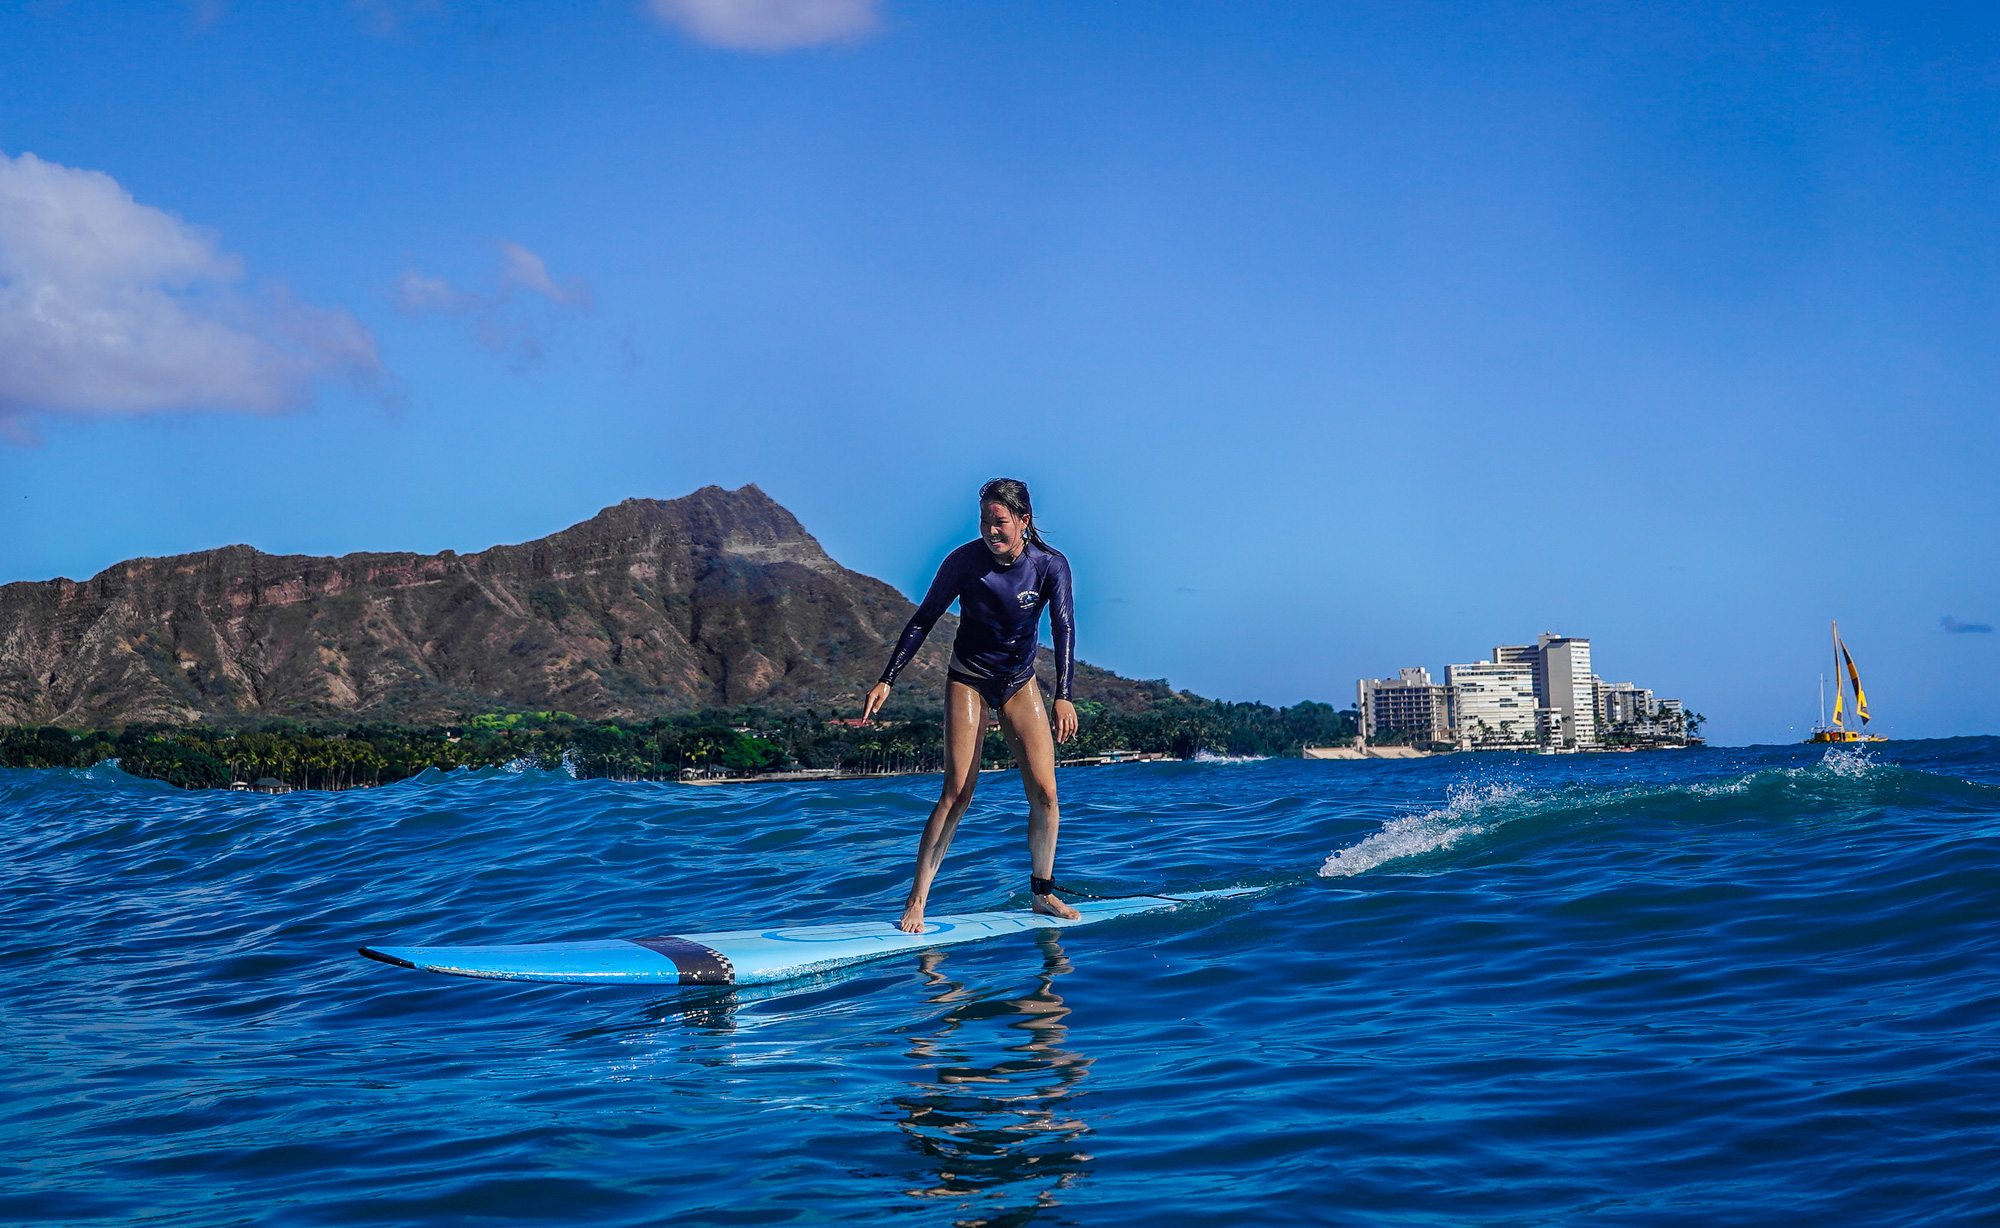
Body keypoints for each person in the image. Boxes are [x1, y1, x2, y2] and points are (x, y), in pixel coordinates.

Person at [862, 478, 1084, 934]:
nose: (990, 530)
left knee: (1046, 793)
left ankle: (1042, 894)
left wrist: (1064, 693)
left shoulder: (1050, 566)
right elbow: (924, 619)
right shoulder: (963, 563)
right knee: (958, 791)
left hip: (1019, 682)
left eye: (999, 521)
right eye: (984, 521)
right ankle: (917, 900)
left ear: (1023, 520)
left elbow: (1063, 628)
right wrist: (887, 678)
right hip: (969, 679)